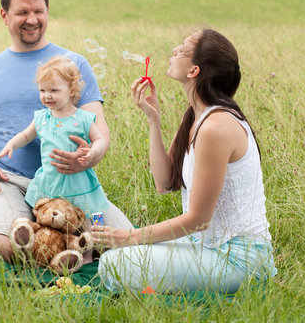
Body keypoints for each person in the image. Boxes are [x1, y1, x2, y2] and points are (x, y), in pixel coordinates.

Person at [0, 0, 132, 262]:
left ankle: (58, 247)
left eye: (38, 11)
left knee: (128, 247)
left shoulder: (73, 65)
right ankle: (44, 241)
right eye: (22, 12)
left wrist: (88, 157)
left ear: (47, 12)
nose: (32, 19)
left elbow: (99, 131)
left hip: (71, 184)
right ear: (4, 15)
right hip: (7, 180)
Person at [92, 29, 277, 294]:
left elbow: (198, 220)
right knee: (129, 249)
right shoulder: (195, 116)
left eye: (183, 48)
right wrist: (153, 120)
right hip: (206, 246)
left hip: (238, 260)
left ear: (194, 71)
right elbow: (164, 183)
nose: (174, 51)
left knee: (113, 263)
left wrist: (129, 237)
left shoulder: (216, 126)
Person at [0, 56, 112, 217]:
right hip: (51, 181)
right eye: (42, 90)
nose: (47, 96)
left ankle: (94, 238)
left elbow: (100, 139)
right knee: (50, 216)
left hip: (77, 181)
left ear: (71, 90)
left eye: (54, 90)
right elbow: (25, 135)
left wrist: (92, 152)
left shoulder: (83, 118)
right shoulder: (42, 118)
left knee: (86, 215)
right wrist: (11, 144)